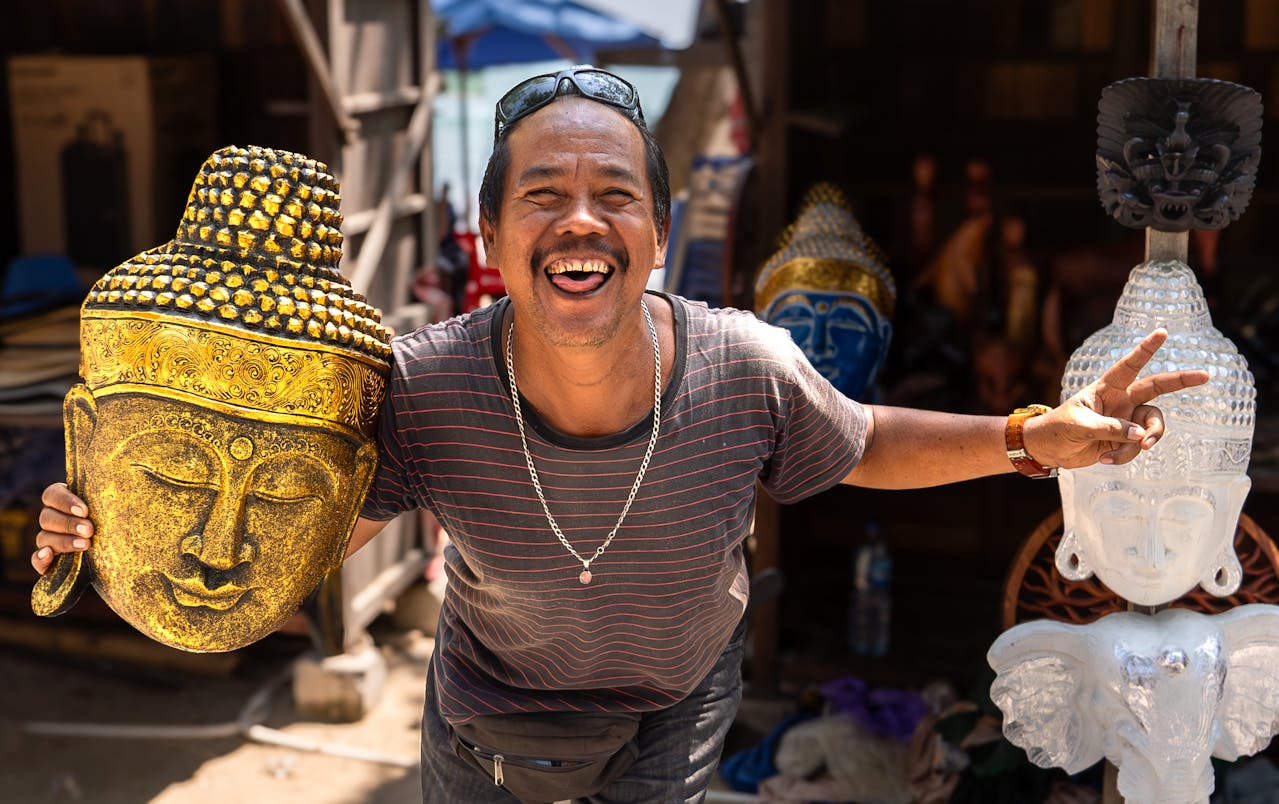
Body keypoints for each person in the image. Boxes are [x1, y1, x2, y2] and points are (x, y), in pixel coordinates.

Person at [33, 66, 1209, 802]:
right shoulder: (426, 385)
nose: (579, 220)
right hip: (484, 724)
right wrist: (122, 534)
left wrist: (1029, 438)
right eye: (541, 195)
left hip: (672, 715)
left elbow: (860, 441)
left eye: (614, 195)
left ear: (656, 231)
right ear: (491, 236)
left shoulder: (742, 364)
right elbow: (308, 536)